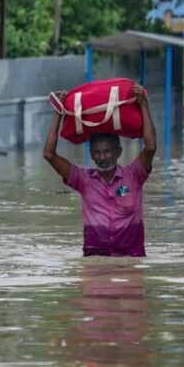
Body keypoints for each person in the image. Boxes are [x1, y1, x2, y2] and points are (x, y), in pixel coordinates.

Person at [43, 83, 156, 257]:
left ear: (119, 151)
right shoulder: (83, 180)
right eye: (97, 152)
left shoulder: (134, 175)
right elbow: (49, 155)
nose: (103, 157)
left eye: (107, 151)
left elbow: (150, 147)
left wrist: (143, 105)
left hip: (131, 260)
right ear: (92, 155)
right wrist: (59, 112)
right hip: (94, 261)